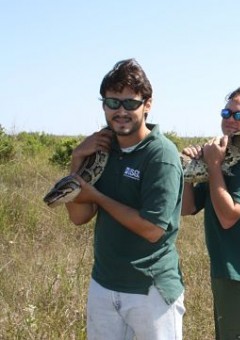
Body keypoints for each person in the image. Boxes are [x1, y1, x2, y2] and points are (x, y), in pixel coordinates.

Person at [64, 58, 185, 339]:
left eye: (130, 103)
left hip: (149, 291)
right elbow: (78, 217)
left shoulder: (161, 155)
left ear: (147, 104)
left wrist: (97, 196)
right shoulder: (100, 149)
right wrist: (76, 159)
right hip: (104, 284)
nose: (121, 111)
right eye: (112, 102)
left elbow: (153, 230)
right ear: (103, 104)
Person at [181, 86, 240, 339]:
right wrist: (189, 170)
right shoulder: (224, 158)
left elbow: (228, 216)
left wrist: (212, 165)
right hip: (225, 273)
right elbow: (187, 208)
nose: (231, 119)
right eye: (226, 113)